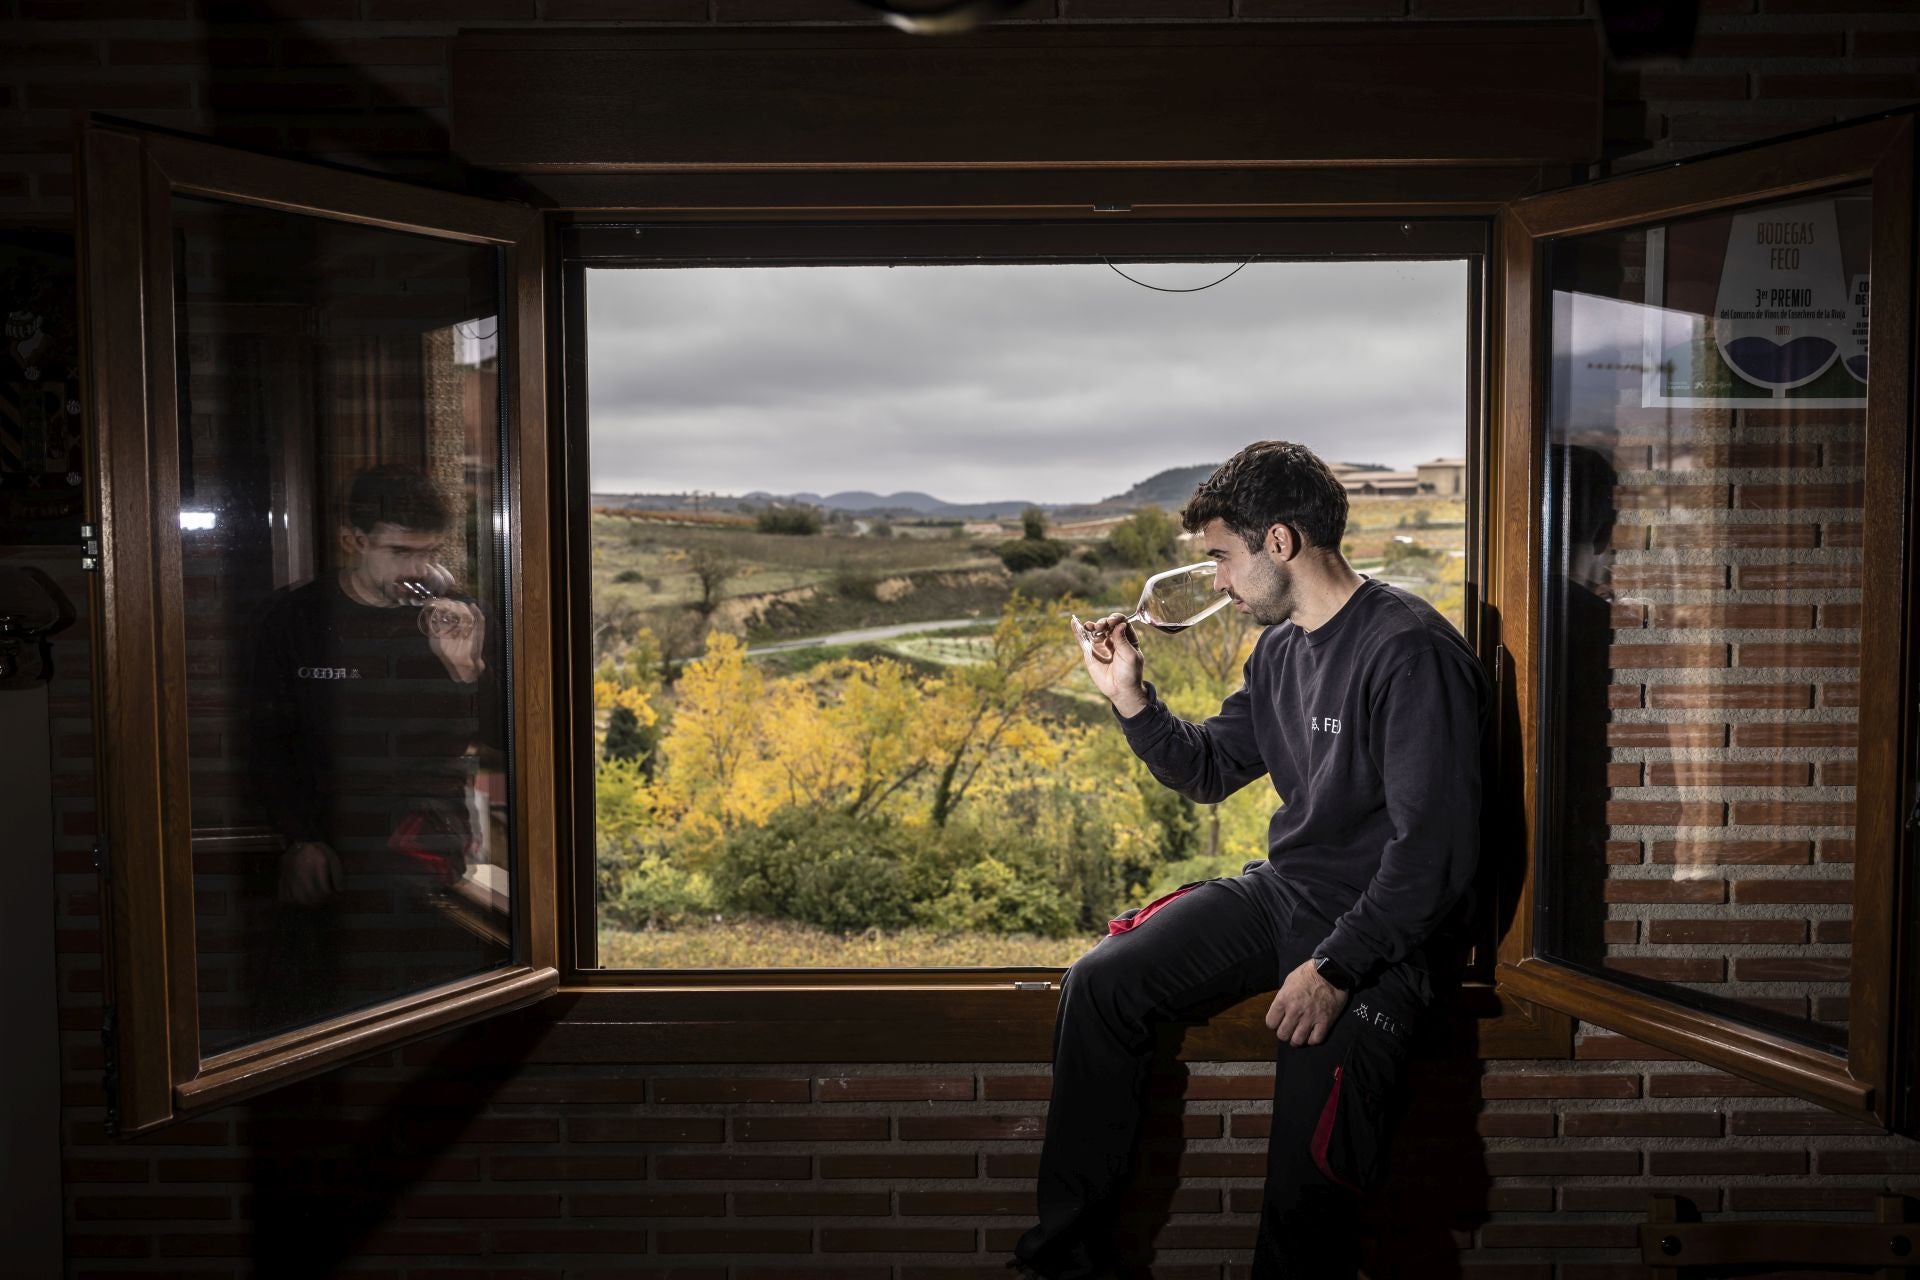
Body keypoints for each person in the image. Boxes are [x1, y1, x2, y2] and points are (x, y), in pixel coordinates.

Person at [1013, 441, 1488, 1280]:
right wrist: (1128, 694)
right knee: (1102, 982)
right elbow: (1206, 770)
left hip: (1377, 937)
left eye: (1223, 559)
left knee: (1307, 1207)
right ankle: (1063, 1264)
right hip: (1287, 895)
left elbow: (1435, 854)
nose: (1220, 583)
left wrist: (1336, 967)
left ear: (1279, 542)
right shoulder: (1278, 652)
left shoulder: (1408, 648)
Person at [247, 464, 504, 1038]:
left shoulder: (457, 619)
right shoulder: (295, 619)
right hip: (327, 845)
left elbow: (500, 743)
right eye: (399, 552)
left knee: (420, 1019)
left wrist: (465, 671)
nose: (415, 570)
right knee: (316, 1018)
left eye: (428, 553)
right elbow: (268, 740)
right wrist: (299, 837)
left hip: (422, 857)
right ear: (354, 541)